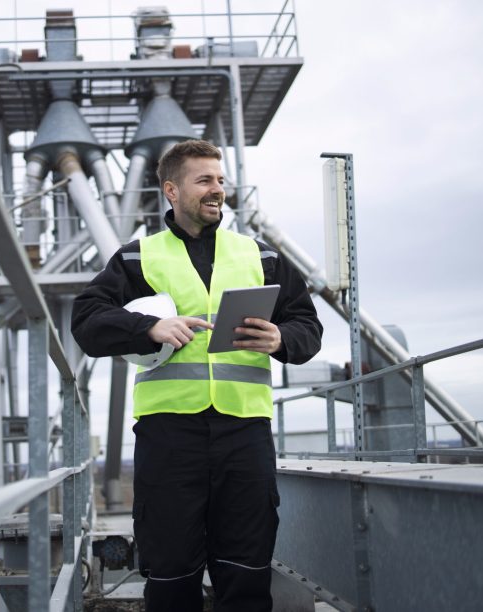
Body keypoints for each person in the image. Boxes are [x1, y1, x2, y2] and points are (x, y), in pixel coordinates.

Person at [71, 139, 322, 612]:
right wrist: (149, 327)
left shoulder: (260, 256)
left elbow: (308, 325)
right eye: (204, 180)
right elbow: (86, 321)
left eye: (220, 181)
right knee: (170, 575)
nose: (217, 190)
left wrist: (281, 339)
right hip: (169, 437)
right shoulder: (137, 257)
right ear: (172, 189)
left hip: (244, 433)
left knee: (247, 571)